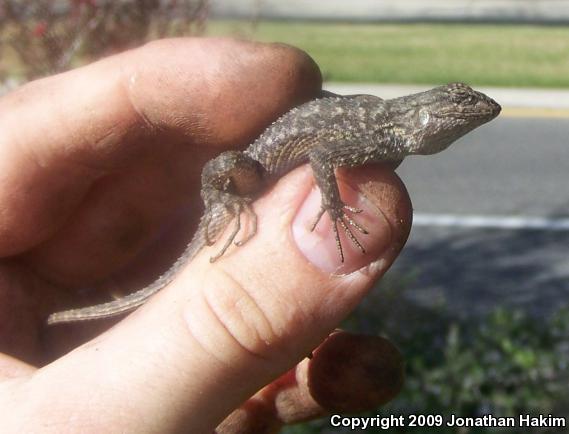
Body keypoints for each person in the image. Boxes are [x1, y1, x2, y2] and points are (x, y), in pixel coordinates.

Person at [0, 38, 411, 432]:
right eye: (459, 104)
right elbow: (322, 154)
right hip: (259, 169)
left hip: (281, 170)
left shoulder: (385, 130)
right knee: (231, 164)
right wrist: (334, 207)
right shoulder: (382, 129)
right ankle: (218, 194)